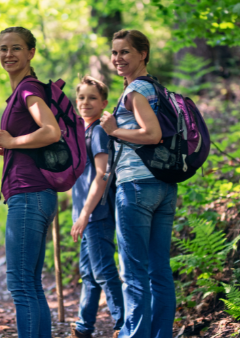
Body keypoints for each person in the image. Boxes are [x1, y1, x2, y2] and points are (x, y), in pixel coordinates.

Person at [99, 30, 177, 338]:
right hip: (163, 186)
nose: (118, 58)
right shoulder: (158, 89)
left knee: (133, 273)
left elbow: (152, 134)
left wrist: (114, 130)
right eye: (115, 52)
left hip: (136, 186)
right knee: (159, 271)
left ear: (142, 54)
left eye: (125, 52)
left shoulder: (135, 92)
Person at [0, 26, 62, 338]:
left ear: (31, 52)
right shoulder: (21, 91)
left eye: (16, 48)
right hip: (36, 194)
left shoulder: (27, 90)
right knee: (31, 284)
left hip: (29, 193)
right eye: (3, 48)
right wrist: (11, 145)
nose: (9, 54)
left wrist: (14, 141)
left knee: (21, 284)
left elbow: (51, 131)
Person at [69, 76, 125, 338]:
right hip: (85, 214)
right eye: (81, 97)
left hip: (96, 213)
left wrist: (84, 214)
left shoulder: (99, 131)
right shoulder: (82, 132)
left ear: (103, 102)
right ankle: (84, 327)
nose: (85, 102)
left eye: (92, 98)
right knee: (88, 274)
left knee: (103, 271)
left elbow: (102, 175)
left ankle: (123, 324)